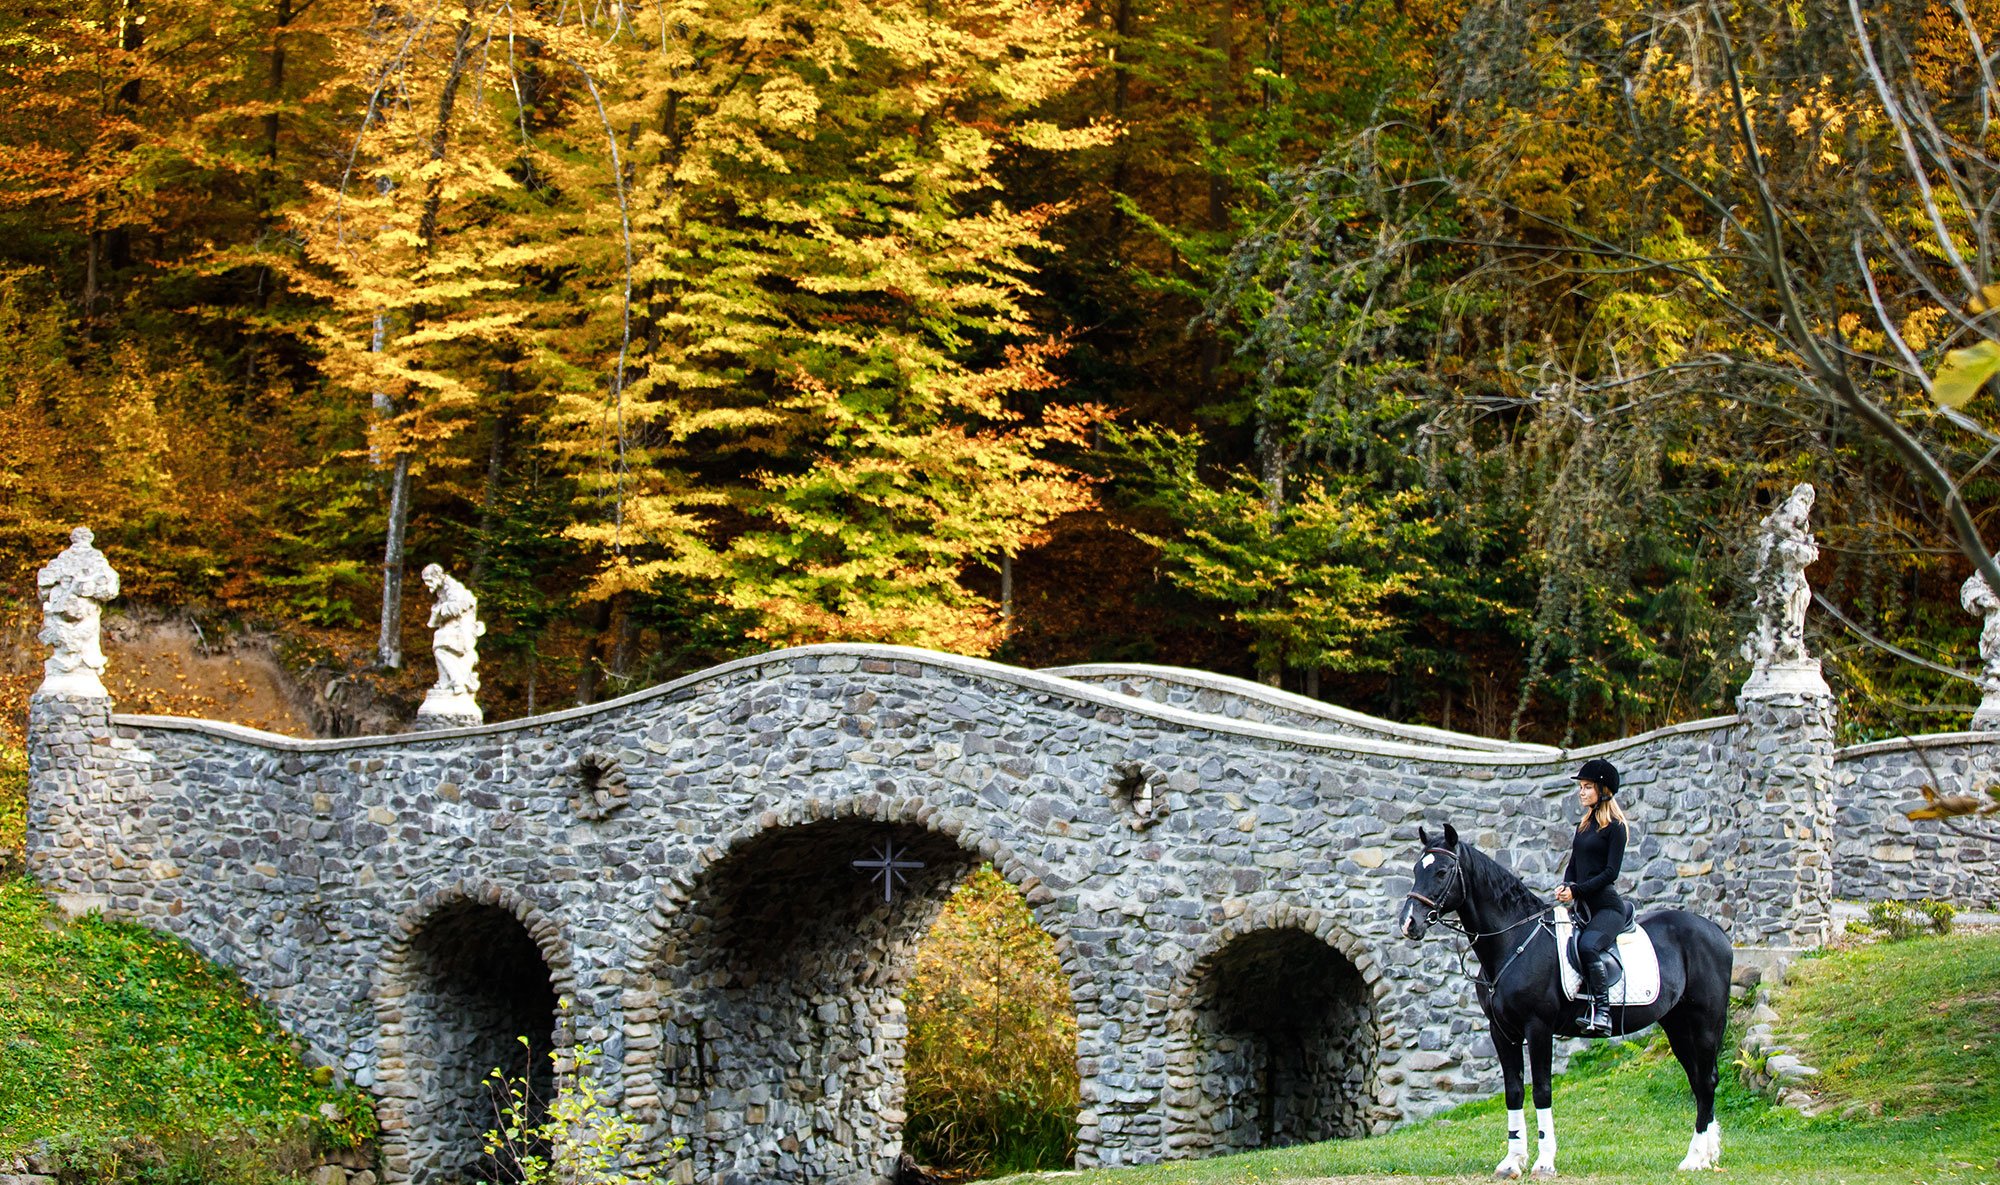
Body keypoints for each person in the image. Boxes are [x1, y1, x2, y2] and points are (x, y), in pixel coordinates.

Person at [1555, 756, 1629, 1036]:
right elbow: (1574, 864)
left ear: (1602, 790)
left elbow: (1610, 873)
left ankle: (1603, 1013)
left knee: (1588, 947)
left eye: (1587, 787)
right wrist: (1566, 885)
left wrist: (1577, 890)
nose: (1582, 792)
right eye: (1581, 787)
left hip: (1607, 908)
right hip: (1582, 907)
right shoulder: (1583, 826)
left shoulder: (1616, 828)